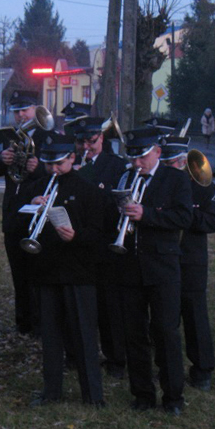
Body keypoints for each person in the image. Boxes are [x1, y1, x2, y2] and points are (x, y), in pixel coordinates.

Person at [107, 127, 193, 414]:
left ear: (157, 152)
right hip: (129, 264)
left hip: (163, 266)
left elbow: (183, 216)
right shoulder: (127, 178)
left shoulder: (176, 178)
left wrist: (147, 214)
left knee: (166, 331)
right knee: (134, 333)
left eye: (142, 157)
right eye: (134, 158)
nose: (137, 164)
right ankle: (142, 393)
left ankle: (173, 397)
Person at [18, 131, 106, 407]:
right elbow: (12, 225)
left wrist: (76, 237)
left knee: (83, 335)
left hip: (78, 273)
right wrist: (30, 207)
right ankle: (51, 391)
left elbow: (100, 232)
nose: (53, 169)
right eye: (48, 164)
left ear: (72, 158)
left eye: (59, 163)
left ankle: (92, 395)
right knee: (51, 336)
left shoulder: (87, 189)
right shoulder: (37, 187)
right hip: (46, 270)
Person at [162, 137, 215, 391]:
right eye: (169, 162)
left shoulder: (202, 188)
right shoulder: (159, 185)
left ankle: (203, 370)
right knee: (166, 317)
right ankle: (168, 367)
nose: (175, 166)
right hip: (165, 257)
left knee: (196, 315)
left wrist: (185, 215)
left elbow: (214, 222)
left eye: (178, 162)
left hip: (192, 260)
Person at [72, 116, 128, 378]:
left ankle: (116, 358)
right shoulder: (75, 164)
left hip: (105, 242)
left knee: (109, 307)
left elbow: (117, 203)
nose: (86, 147)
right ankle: (81, 354)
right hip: (82, 241)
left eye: (91, 141)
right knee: (82, 304)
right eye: (82, 142)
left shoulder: (115, 165)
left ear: (102, 138)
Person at [0, 90, 46, 335]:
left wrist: (40, 167)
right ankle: (23, 321)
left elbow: (61, 173)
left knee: (38, 272)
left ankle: (40, 321)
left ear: (35, 110)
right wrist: (2, 160)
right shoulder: (9, 139)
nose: (21, 115)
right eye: (17, 111)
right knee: (18, 272)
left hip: (38, 214)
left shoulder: (49, 137)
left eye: (25, 110)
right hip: (14, 214)